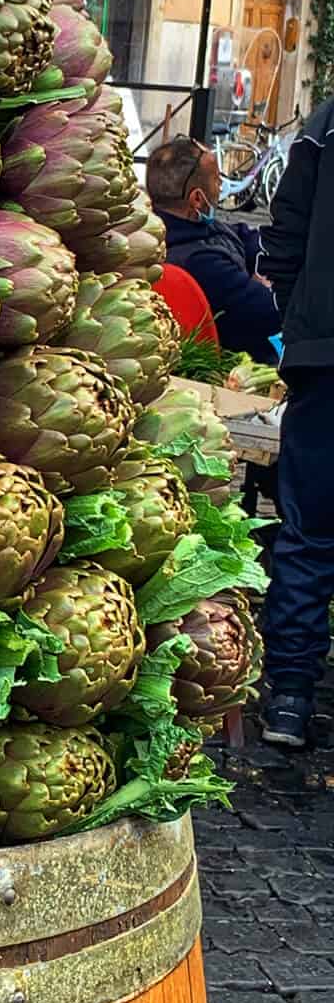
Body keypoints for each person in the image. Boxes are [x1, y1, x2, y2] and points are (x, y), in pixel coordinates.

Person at [256, 100, 334, 747]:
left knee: (309, 532)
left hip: (325, 352)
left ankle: (289, 697)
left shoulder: (326, 123)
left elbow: (286, 228)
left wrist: (295, 314)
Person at [146, 135, 281, 362]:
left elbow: (248, 238)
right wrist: (267, 281)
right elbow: (271, 310)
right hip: (242, 367)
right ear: (197, 199)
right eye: (218, 180)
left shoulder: (198, 225)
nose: (222, 186)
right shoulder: (200, 261)